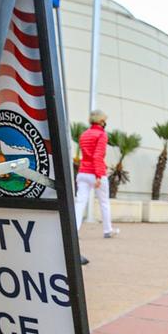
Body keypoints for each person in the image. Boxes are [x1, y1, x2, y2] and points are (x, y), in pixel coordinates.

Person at [74, 110, 118, 263]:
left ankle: (74, 229)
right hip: (95, 173)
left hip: (82, 172)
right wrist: (99, 175)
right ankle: (107, 230)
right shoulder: (101, 135)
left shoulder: (84, 134)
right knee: (104, 202)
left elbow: (86, 155)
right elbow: (98, 155)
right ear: (101, 121)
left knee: (80, 203)